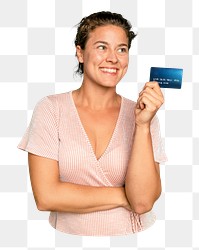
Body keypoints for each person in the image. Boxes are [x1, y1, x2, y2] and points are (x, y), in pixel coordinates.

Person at [18, 11, 167, 236]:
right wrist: (122, 194)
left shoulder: (144, 114)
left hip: (135, 240)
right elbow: (46, 196)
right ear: (80, 52)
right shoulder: (50, 109)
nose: (113, 58)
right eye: (101, 47)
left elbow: (143, 203)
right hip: (66, 241)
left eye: (122, 49)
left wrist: (143, 125)